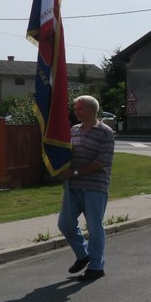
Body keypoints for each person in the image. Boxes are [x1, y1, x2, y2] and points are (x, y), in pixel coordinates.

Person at [58, 95, 116, 281]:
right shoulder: (74, 130)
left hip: (94, 187)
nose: (75, 112)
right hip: (73, 187)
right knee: (65, 224)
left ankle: (96, 266)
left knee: (94, 226)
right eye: (75, 108)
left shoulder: (105, 132)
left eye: (79, 108)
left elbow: (101, 162)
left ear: (91, 110)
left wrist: (74, 172)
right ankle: (83, 255)